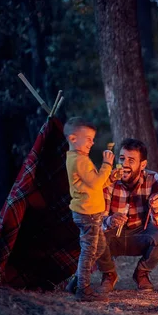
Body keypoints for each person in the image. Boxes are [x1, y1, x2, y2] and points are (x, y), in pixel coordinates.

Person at [96, 138, 158, 292]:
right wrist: (110, 220)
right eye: (122, 158)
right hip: (113, 235)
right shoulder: (108, 179)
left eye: (131, 160)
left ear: (142, 165)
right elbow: (98, 218)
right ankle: (109, 274)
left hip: (140, 234)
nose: (124, 164)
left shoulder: (153, 179)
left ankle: (142, 273)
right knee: (93, 234)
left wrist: (157, 209)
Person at [64, 117, 114, 301]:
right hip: (88, 214)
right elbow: (95, 182)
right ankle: (83, 290)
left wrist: (111, 178)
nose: (92, 142)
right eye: (89, 138)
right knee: (89, 252)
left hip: (89, 212)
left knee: (99, 247)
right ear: (73, 138)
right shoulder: (80, 161)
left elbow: (95, 184)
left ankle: (76, 282)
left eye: (93, 139)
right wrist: (107, 165)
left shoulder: (78, 158)